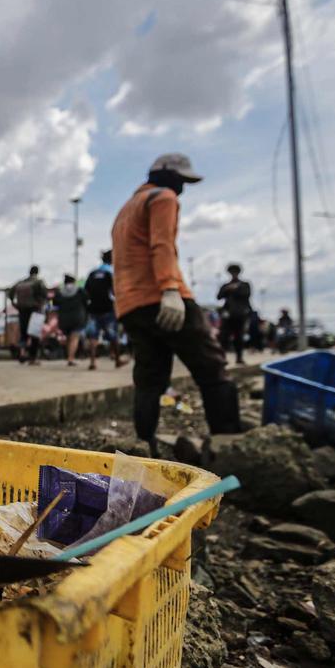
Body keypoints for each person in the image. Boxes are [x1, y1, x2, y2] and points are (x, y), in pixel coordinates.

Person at [111, 153, 242, 454]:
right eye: (181, 180)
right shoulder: (163, 197)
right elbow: (162, 245)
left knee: (149, 378)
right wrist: (170, 288)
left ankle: (144, 446)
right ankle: (229, 446)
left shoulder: (125, 210)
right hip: (163, 297)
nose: (182, 187)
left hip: (131, 305)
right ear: (165, 173)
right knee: (212, 368)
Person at [83, 249, 125, 370]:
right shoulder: (111, 272)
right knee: (113, 335)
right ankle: (117, 360)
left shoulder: (92, 273)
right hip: (107, 308)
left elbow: (86, 291)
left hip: (93, 309)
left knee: (93, 336)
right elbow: (116, 291)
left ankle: (92, 362)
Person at [9, 266, 48, 365]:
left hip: (22, 310)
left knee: (24, 333)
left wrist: (15, 305)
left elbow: (10, 293)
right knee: (34, 334)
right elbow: (45, 295)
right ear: (37, 272)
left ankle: (22, 353)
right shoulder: (39, 282)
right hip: (35, 310)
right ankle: (32, 359)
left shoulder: (21, 283)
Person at [216, 263, 253, 365]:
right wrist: (227, 289)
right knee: (224, 336)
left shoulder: (245, 285)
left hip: (240, 314)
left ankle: (239, 357)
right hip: (228, 314)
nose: (233, 274)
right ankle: (222, 358)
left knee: (239, 337)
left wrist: (236, 289)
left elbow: (247, 295)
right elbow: (219, 296)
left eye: (235, 272)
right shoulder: (226, 286)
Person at [54, 275, 87, 367]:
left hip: (63, 318)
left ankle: (68, 355)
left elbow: (54, 303)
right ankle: (70, 358)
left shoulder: (59, 291)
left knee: (68, 337)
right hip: (77, 317)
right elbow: (87, 301)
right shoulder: (80, 290)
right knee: (74, 338)